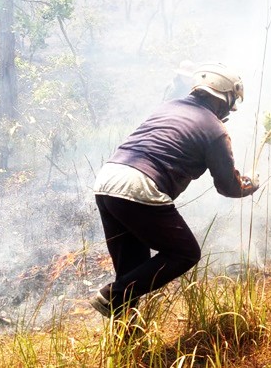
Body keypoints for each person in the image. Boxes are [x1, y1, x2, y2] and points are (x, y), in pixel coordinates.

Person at [90, 62, 259, 318]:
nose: (230, 111)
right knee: (184, 253)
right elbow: (228, 186)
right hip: (140, 185)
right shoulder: (215, 129)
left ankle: (127, 341)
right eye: (230, 103)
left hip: (107, 179)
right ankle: (112, 294)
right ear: (224, 98)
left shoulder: (168, 107)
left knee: (131, 269)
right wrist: (250, 185)